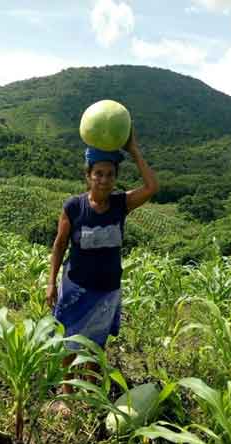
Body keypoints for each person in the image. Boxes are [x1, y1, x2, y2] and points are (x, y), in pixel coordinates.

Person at [46, 128, 158, 413]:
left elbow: (151, 187)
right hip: (76, 286)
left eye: (110, 174)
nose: (104, 180)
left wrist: (133, 150)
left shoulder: (121, 204)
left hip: (107, 290)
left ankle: (92, 392)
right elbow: (59, 246)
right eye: (98, 174)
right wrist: (50, 284)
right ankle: (68, 395)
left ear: (115, 177)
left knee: (96, 346)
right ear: (88, 176)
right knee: (70, 343)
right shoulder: (74, 207)